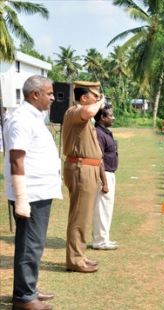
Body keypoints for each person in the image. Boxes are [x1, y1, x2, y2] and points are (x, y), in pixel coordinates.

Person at [4, 75, 61, 310]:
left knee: (34, 243)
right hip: (31, 193)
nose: (52, 98)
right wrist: (22, 198)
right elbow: (17, 160)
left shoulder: (34, 117)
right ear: (34, 94)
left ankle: (29, 288)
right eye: (49, 94)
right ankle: (24, 297)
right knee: (30, 244)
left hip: (40, 191)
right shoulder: (21, 119)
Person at [62, 81, 105, 273]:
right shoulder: (75, 111)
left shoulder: (81, 114)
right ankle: (75, 260)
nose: (98, 100)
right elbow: (89, 112)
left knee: (84, 216)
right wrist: (100, 102)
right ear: (83, 98)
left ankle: (80, 255)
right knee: (79, 216)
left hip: (88, 168)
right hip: (81, 168)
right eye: (94, 97)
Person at [92, 104, 119, 251]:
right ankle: (100, 241)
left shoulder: (105, 132)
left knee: (107, 208)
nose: (113, 118)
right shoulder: (98, 133)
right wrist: (104, 181)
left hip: (110, 173)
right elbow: (98, 159)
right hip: (105, 174)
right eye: (110, 115)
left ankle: (104, 238)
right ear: (102, 117)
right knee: (102, 209)